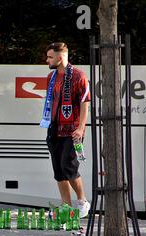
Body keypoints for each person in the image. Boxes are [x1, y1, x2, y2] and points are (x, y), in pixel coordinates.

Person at [42, 42, 90, 218]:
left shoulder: (79, 76)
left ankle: (82, 201)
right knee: (58, 170)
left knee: (68, 166)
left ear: (60, 57)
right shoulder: (51, 77)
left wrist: (81, 128)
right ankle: (66, 206)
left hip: (72, 129)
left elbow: (85, 103)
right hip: (54, 127)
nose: (47, 60)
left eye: (50, 57)